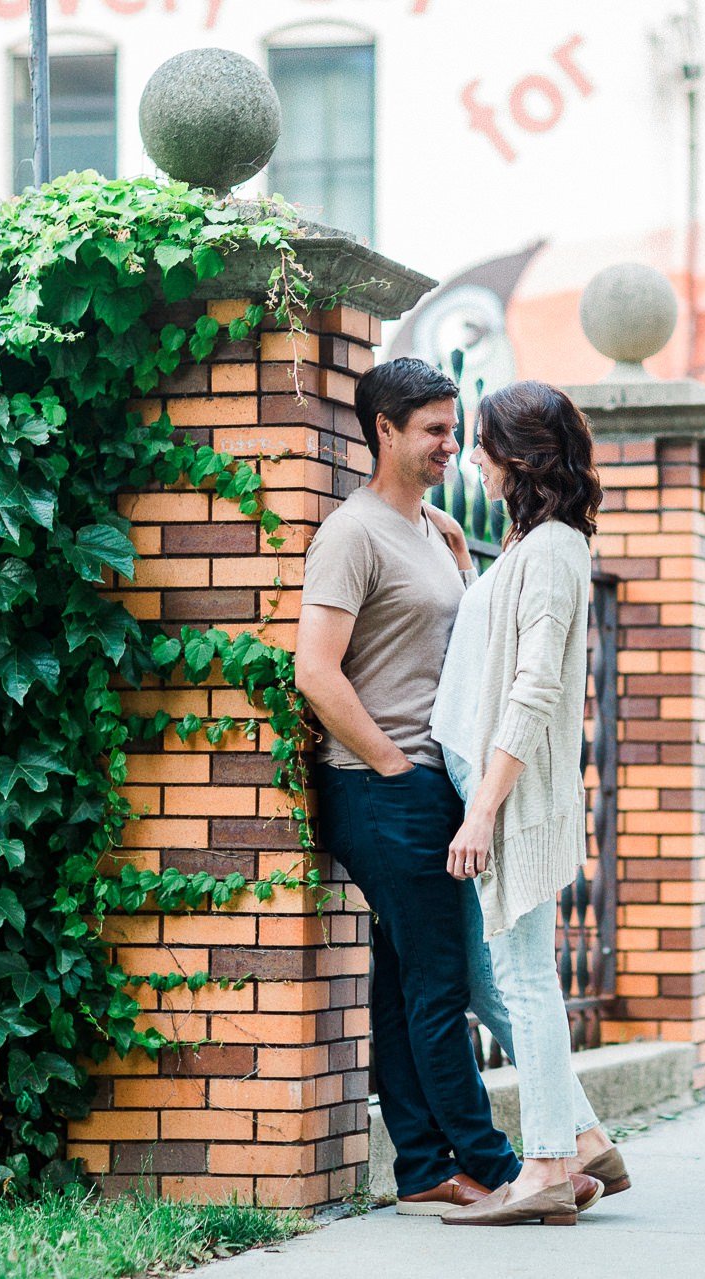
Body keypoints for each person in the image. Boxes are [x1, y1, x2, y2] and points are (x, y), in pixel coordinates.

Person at [295, 357, 540, 1216]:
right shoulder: (352, 533)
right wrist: (395, 766)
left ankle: (423, 1169)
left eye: (453, 427)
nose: (451, 443)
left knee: (405, 983)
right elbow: (317, 672)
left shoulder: (432, 530)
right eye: (433, 429)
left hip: (426, 780)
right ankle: (500, 1166)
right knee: (438, 986)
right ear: (384, 431)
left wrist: (460, 557)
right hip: (383, 786)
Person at [428, 380, 631, 1228]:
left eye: (481, 444)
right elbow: (498, 641)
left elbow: (536, 684)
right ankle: (581, 1137)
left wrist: (484, 810)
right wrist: (471, 565)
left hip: (501, 790)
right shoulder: (531, 547)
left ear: (520, 456)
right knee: (487, 973)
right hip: (486, 778)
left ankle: (546, 1161)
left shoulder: (552, 549)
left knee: (520, 975)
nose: (470, 457)